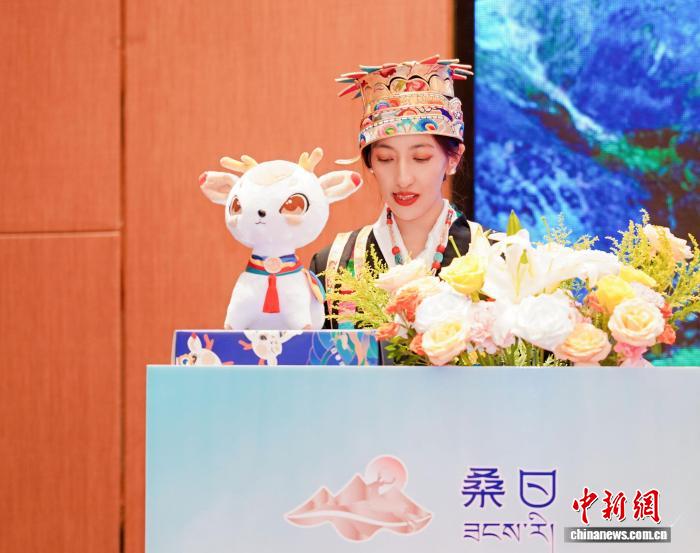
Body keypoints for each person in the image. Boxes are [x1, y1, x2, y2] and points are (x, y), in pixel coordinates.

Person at [310, 55, 474, 328]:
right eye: (386, 159)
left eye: (420, 158)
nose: (403, 178)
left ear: (453, 159)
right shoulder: (333, 265)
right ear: (370, 162)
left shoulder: (493, 257)